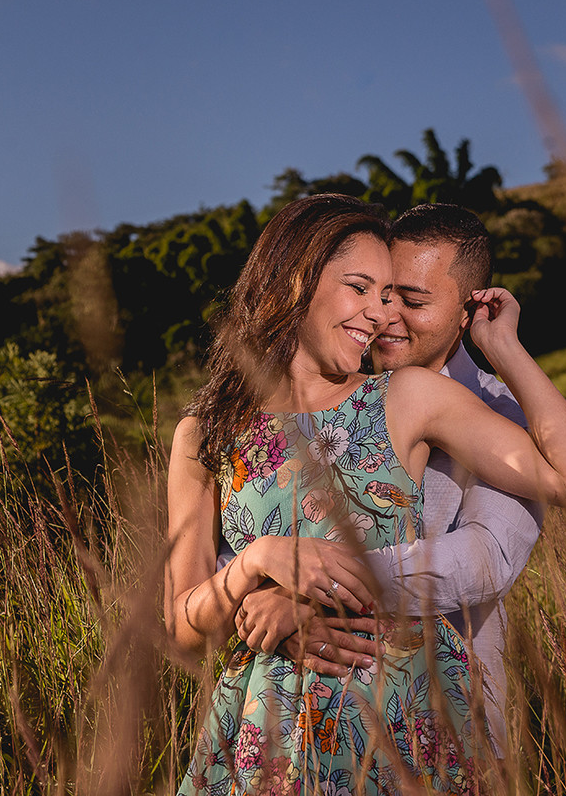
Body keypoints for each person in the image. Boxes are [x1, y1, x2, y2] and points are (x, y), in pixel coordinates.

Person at [165, 194, 566, 794]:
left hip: (401, 720)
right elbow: (181, 629)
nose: (380, 315)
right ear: (297, 278)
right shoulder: (203, 433)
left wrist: (505, 348)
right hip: (264, 732)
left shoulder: (407, 397)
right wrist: (255, 562)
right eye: (363, 289)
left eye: (392, 296)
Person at [232, 203, 542, 757]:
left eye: (412, 300)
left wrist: (317, 595)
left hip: (444, 717)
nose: (385, 314)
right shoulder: (337, 399)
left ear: (469, 308)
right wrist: (264, 585)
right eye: (378, 292)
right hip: (293, 719)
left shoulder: (501, 408)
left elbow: (487, 556)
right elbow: (247, 538)